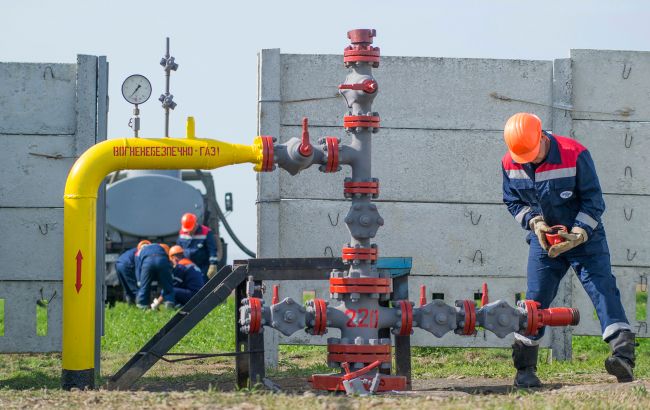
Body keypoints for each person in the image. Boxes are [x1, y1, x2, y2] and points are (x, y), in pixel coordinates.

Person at [501, 112, 636, 387]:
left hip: (585, 239)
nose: (529, 161)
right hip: (545, 241)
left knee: (602, 289)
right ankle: (525, 371)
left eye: (532, 154)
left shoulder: (574, 154)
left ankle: (622, 357)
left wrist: (578, 233)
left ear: (542, 136)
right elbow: (513, 201)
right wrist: (535, 223)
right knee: (534, 302)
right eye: (523, 157)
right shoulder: (510, 162)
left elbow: (593, 200)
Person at [176, 212, 218, 281]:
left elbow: (212, 250)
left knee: (202, 284)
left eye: (190, 229)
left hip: (202, 267)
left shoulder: (206, 232)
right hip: (187, 266)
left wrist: (213, 264)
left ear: (195, 224)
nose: (188, 232)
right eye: (187, 230)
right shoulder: (182, 233)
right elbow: (178, 248)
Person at [135, 241, 176, 309]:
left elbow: (138, 267)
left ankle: (142, 305)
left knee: (144, 287)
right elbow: (168, 262)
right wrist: (169, 275)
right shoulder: (160, 247)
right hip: (162, 261)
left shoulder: (140, 252)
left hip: (147, 262)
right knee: (167, 286)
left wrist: (139, 280)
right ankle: (169, 303)